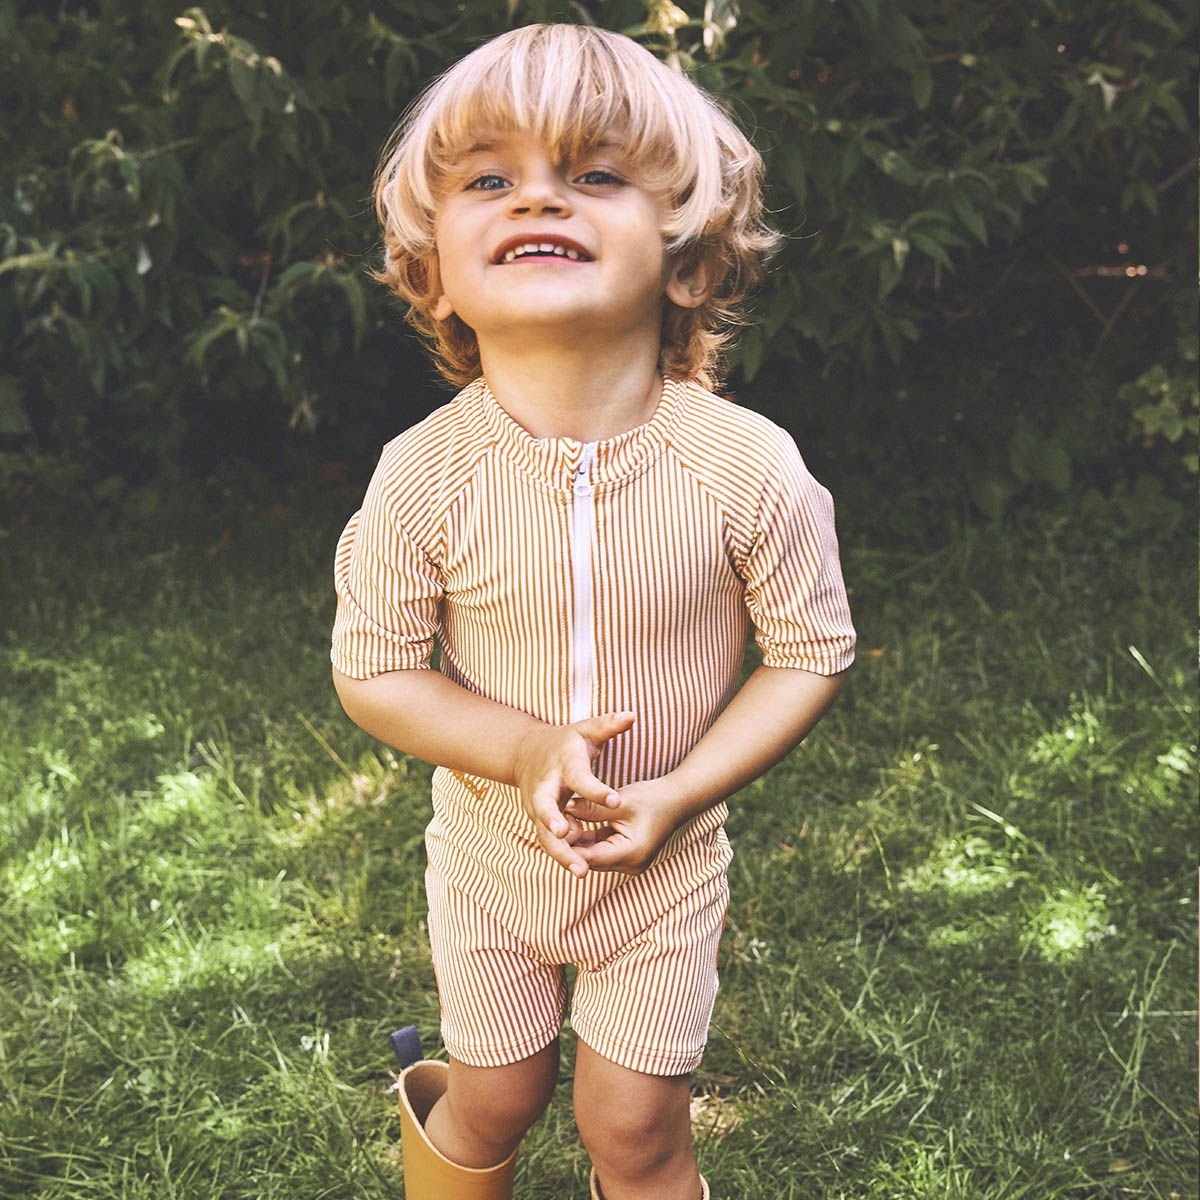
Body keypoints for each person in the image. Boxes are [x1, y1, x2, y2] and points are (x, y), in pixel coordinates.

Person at [330, 23, 855, 1200]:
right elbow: (376, 671)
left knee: (635, 1132)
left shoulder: (746, 466)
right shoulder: (422, 474)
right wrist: (523, 749)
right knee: (497, 1097)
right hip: (489, 864)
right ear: (434, 270)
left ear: (686, 259)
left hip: (662, 864)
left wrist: (678, 794)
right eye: (489, 180)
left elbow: (810, 653)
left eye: (595, 174)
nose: (537, 198)